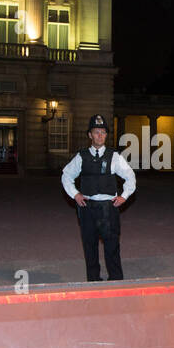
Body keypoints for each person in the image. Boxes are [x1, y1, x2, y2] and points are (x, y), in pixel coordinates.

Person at [61, 114, 136, 281]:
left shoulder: (114, 156)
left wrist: (124, 196)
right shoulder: (81, 156)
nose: (100, 135)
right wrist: (75, 194)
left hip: (108, 208)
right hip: (88, 207)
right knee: (90, 247)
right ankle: (93, 281)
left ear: (106, 135)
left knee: (112, 247)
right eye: (96, 132)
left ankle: (115, 280)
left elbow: (130, 176)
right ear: (90, 135)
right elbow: (66, 175)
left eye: (103, 132)